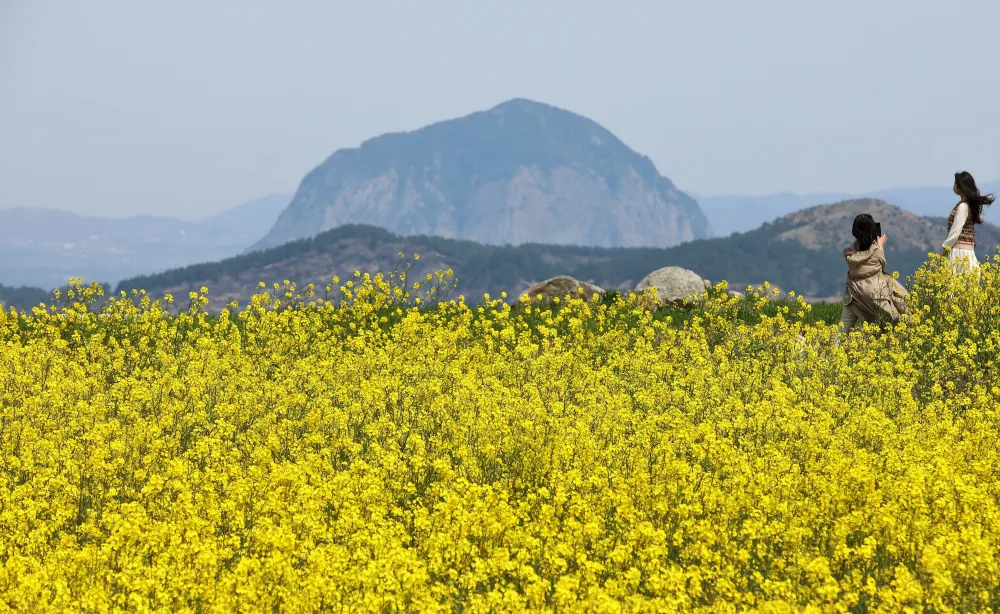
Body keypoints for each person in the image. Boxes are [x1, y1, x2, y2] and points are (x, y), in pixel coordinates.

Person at [840, 213, 909, 333]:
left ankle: (833, 347)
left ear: (854, 232)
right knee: (889, 329)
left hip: (853, 296)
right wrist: (879, 246)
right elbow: (882, 265)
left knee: (842, 330)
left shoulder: (849, 255)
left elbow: (859, 253)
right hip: (876, 294)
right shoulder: (877, 251)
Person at [941, 171, 995, 271]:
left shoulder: (963, 206)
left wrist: (945, 249)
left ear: (961, 187)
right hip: (966, 251)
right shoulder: (966, 205)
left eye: (955, 183)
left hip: (959, 253)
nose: (954, 186)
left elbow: (955, 231)